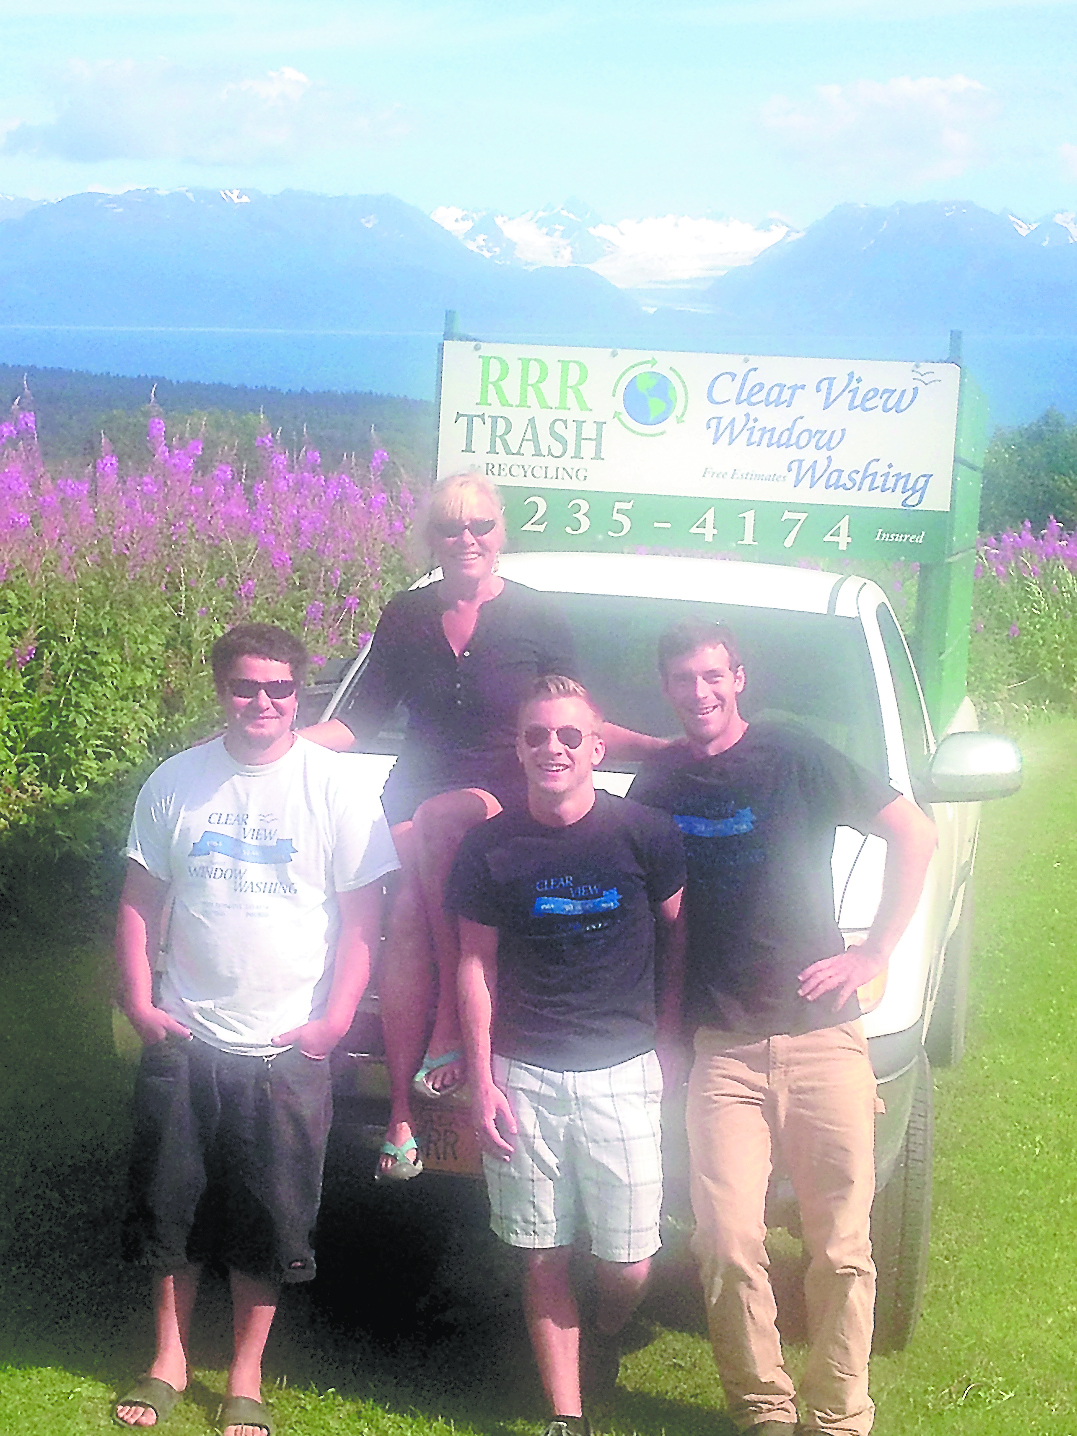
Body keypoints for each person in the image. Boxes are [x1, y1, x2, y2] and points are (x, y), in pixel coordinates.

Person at [302, 472, 668, 1180]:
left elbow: (574, 717)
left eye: (479, 527)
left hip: (503, 796)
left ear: (501, 534)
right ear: (430, 538)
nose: (464, 540)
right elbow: (362, 719)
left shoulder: (538, 617)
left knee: (438, 830)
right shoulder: (404, 615)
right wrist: (270, 743)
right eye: (449, 528)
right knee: (407, 908)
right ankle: (402, 1118)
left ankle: (447, 1031)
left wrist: (658, 747)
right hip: (411, 789)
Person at [630, 620, 937, 1436]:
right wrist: (662, 1034)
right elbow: (654, 914)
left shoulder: (793, 754)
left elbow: (913, 829)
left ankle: (837, 1414)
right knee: (725, 1243)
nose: (699, 692)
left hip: (820, 1036)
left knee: (839, 1246)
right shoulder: (655, 785)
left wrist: (873, 949)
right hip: (718, 1049)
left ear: (737, 677)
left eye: (712, 676)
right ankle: (763, 1408)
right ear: (667, 689)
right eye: (683, 680)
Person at [113, 623, 399, 1436]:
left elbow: (362, 923)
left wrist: (334, 1021)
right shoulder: (177, 782)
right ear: (222, 690)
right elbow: (138, 902)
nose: (262, 702)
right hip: (187, 1035)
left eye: (279, 688)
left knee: (269, 1220)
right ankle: (168, 1359)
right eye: (246, 687)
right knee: (171, 1208)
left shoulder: (335, 787)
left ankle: (245, 1375)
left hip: (286, 1050)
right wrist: (139, 1003)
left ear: (300, 692)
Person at [451, 675, 686, 1435]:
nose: (551, 748)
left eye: (567, 736)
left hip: (622, 1069)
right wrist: (482, 1078)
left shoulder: (645, 833)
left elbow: (680, 936)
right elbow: (474, 966)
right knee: (540, 1253)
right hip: (524, 1075)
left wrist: (670, 1039)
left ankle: (606, 1331)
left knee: (629, 1264)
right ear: (518, 747)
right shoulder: (488, 848)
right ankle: (566, 1414)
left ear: (595, 747)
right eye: (535, 735)